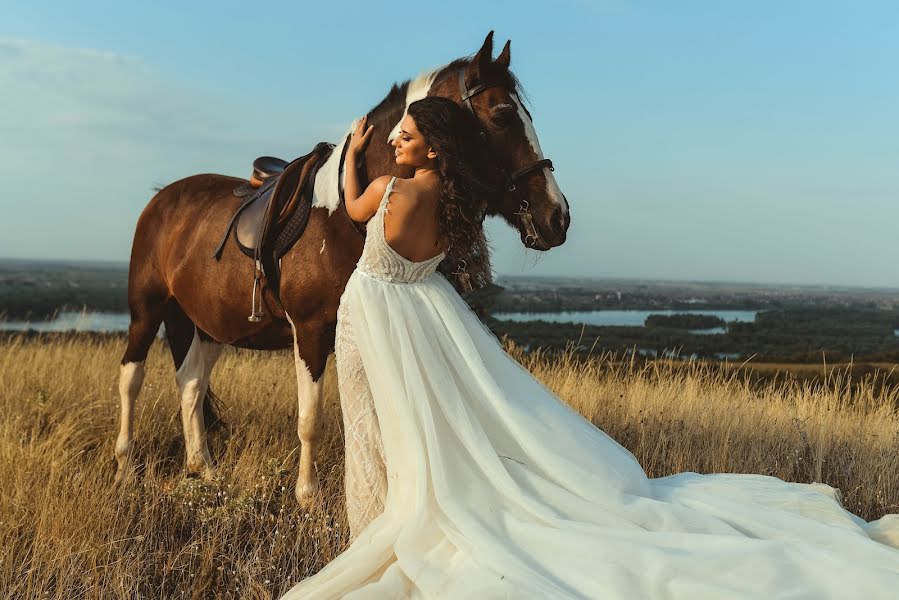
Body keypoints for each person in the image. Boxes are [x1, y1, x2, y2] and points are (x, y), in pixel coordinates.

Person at [281, 97, 899, 599]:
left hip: (376, 313)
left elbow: (356, 210)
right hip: (419, 313)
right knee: (424, 418)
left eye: (406, 136)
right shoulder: (453, 208)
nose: (397, 141)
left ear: (433, 148)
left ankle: (377, 522)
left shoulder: (393, 191)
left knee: (374, 419)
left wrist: (356, 152)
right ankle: (410, 504)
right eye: (398, 136)